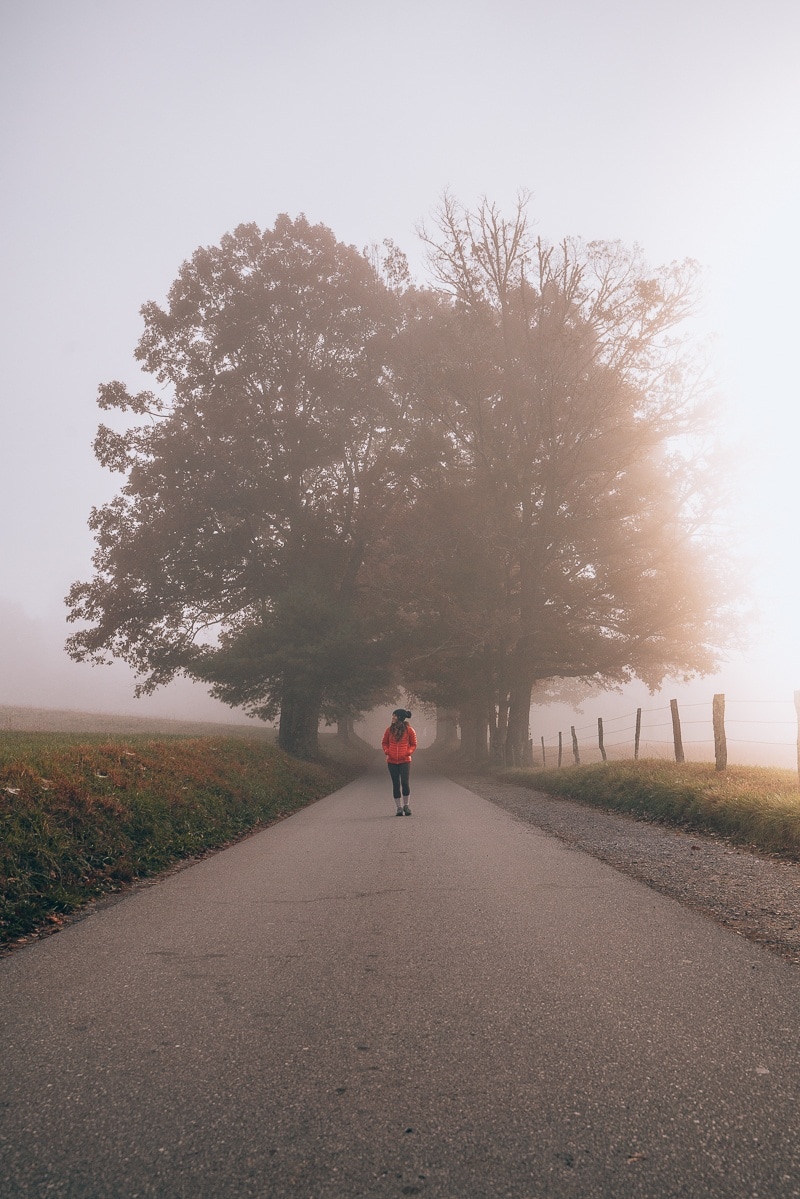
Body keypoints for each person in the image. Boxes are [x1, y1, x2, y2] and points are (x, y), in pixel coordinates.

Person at [382, 708, 417, 816]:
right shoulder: (389, 730)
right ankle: (398, 808)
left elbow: (413, 744)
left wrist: (408, 752)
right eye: (393, 715)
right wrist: (387, 751)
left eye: (395, 716)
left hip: (405, 760)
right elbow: (384, 742)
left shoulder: (409, 730)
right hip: (392, 761)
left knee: (405, 783)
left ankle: (406, 806)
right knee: (396, 784)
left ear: (400, 718)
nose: (393, 717)